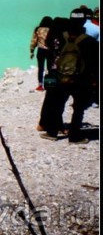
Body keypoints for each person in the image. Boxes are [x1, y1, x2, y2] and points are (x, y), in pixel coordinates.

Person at [38, 16, 98, 144]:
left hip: (59, 77)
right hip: (81, 80)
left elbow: (52, 55)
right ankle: (75, 136)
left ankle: (52, 132)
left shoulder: (58, 39)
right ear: (82, 26)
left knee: (57, 104)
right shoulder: (90, 42)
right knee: (78, 108)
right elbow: (95, 63)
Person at [29, 15, 53, 91]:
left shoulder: (38, 29)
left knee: (41, 68)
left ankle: (40, 85)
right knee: (50, 68)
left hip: (41, 50)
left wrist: (32, 51)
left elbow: (34, 41)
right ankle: (50, 84)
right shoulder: (52, 29)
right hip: (50, 50)